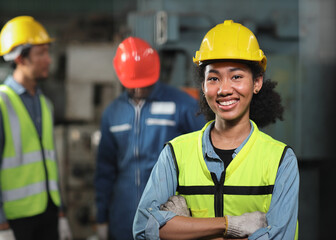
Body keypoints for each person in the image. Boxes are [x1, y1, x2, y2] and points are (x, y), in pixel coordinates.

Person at [133, 20, 299, 240]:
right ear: (203, 86)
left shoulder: (280, 160)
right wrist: (230, 226)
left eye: (237, 76)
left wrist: (186, 230)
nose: (224, 89)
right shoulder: (175, 154)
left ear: (257, 82)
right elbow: (144, 230)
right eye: (213, 78)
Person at [94, 36, 206, 240]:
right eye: (132, 85)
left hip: (169, 215)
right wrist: (102, 218)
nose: (138, 89)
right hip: (123, 215)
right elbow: (105, 170)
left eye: (144, 84)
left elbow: (205, 152)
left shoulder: (182, 105)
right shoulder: (113, 113)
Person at [0, 16, 72, 240]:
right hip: (15, 221)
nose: (49, 60)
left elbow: (50, 163)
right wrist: (0, 226)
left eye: (47, 52)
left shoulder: (44, 104)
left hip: (47, 215)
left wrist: (60, 213)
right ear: (20, 58)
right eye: (41, 53)